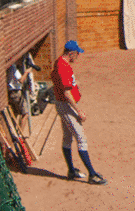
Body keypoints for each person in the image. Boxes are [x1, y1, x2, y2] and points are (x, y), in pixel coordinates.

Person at [52, 41, 107, 185]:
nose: (78, 56)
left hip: (63, 104)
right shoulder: (62, 67)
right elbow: (66, 93)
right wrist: (78, 111)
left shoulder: (60, 62)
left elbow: (63, 84)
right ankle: (92, 175)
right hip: (66, 106)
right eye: (77, 53)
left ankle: (71, 171)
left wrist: (75, 84)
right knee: (81, 139)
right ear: (71, 53)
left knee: (67, 138)